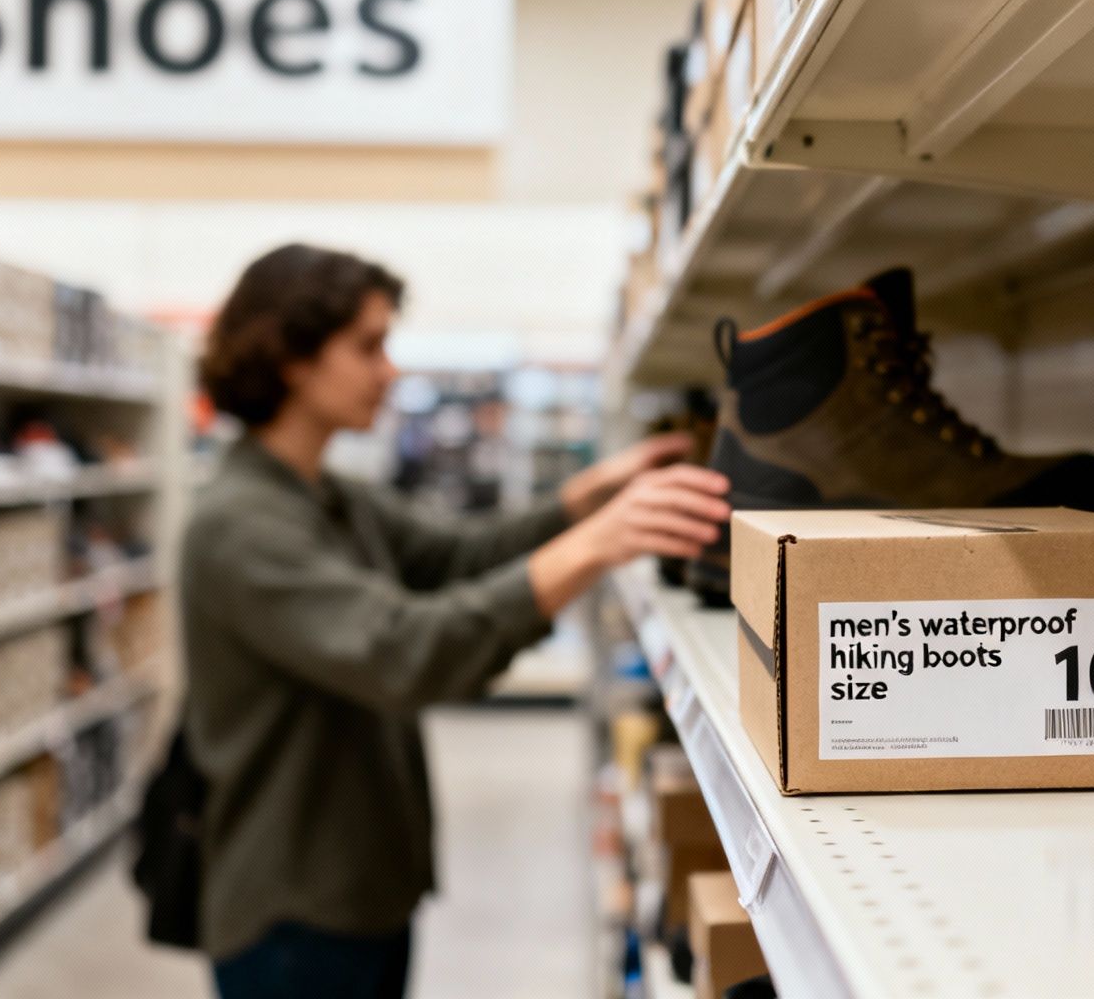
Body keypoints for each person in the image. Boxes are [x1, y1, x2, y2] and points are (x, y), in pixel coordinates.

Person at [182, 244, 729, 998]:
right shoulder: (240, 525)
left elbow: (457, 556)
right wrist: (594, 546)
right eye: (368, 346)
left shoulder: (328, 496)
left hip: (362, 887)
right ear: (291, 358)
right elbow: (404, 653)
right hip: (294, 912)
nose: (389, 370)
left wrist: (589, 499)